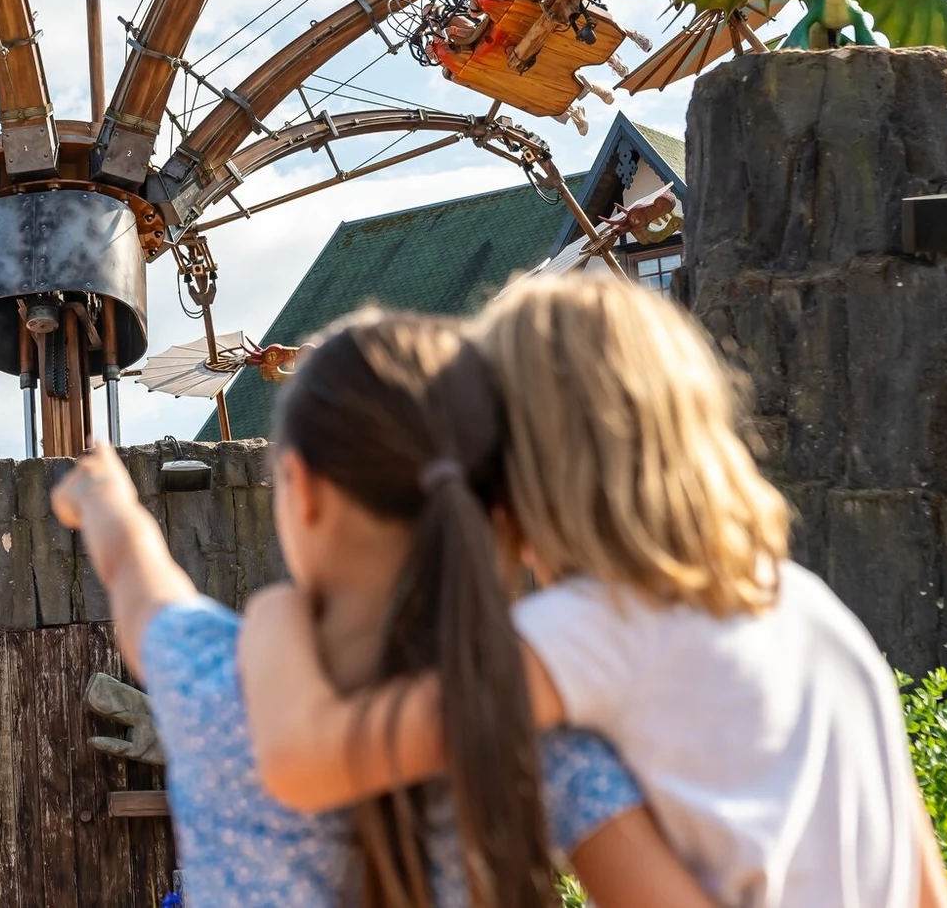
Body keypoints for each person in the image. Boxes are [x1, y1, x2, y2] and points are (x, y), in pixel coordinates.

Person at [238, 274, 947, 908]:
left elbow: (311, 759)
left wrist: (272, 615)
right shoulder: (808, 606)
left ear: (525, 460)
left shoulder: (588, 630)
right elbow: (926, 886)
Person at [52, 310, 718, 908]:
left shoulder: (218, 684)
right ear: (496, 509)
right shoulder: (532, 736)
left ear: (301, 491)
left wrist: (105, 501)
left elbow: (142, 586)